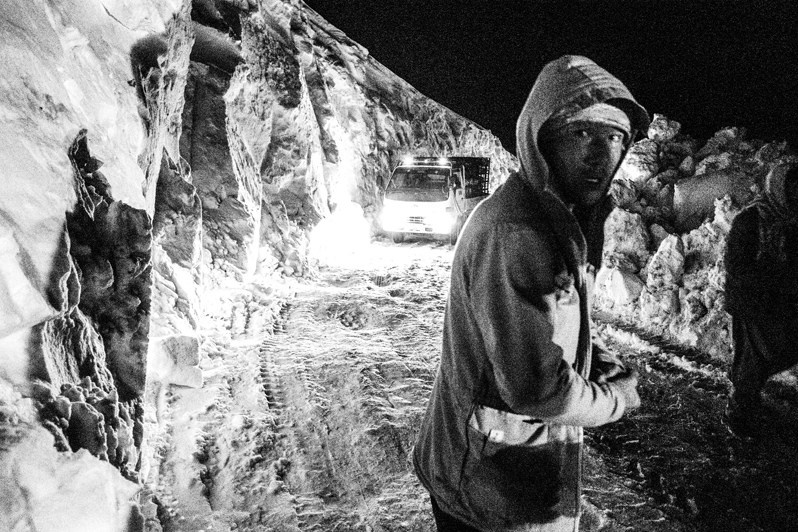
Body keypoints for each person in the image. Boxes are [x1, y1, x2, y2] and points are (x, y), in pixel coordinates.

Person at [412, 55, 648, 532]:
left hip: (500, 471)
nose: (600, 153)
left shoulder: (556, 218)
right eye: (581, 133)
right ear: (540, 142)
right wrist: (617, 398)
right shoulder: (518, 233)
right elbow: (535, 388)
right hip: (484, 487)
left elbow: (544, 326)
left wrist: (588, 354)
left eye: (614, 137)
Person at [724, 163, 798, 438]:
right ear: (777, 188)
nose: (795, 195)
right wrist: (771, 277)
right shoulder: (749, 220)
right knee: (752, 362)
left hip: (778, 303)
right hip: (751, 303)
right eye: (790, 188)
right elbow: (736, 267)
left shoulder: (790, 221)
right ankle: (738, 414)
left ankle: (748, 400)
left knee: (779, 351)